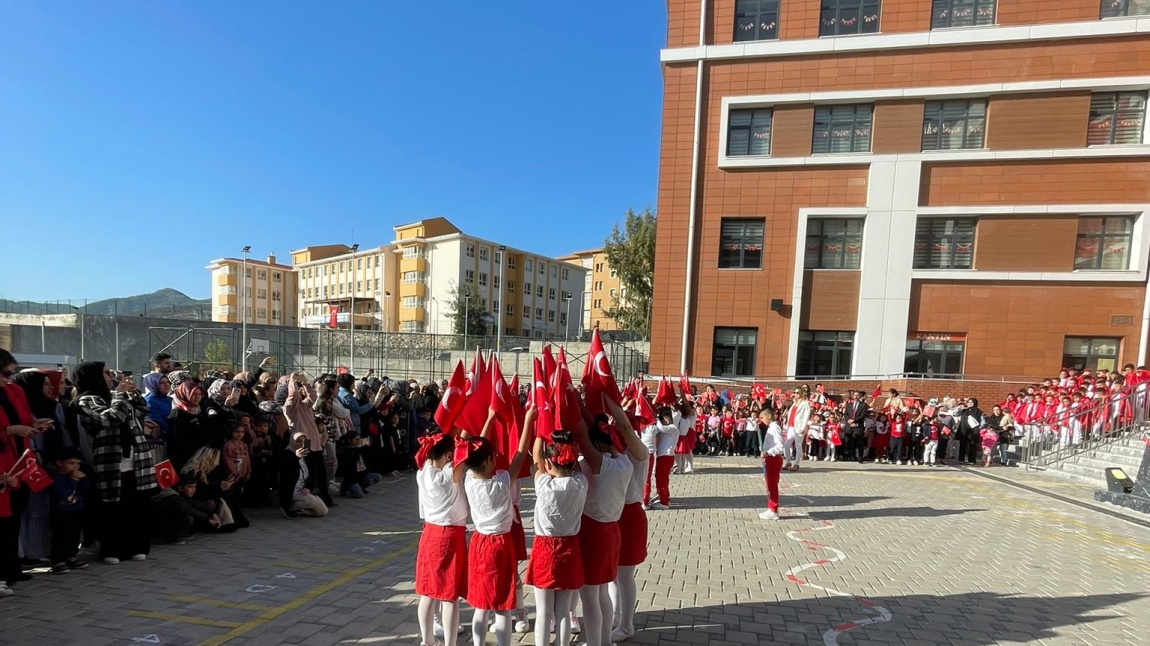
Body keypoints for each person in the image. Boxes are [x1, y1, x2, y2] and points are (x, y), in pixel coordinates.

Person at [573, 399, 646, 646]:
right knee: (607, 583)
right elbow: (592, 430)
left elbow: (594, 434)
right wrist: (581, 404)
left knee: (621, 577)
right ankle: (611, 626)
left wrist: (609, 395)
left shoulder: (636, 453)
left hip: (624, 517)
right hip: (613, 519)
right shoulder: (618, 460)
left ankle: (625, 624)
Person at [72, 362, 157, 565]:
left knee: (137, 506)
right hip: (111, 461)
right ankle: (112, 549)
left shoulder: (114, 396)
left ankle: (136, 547)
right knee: (113, 509)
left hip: (136, 461)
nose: (111, 376)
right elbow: (111, 418)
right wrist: (118, 395)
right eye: (105, 373)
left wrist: (132, 393)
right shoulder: (87, 399)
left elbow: (141, 409)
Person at [461, 412, 532, 646]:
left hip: (479, 542)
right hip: (501, 545)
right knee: (502, 606)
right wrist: (528, 421)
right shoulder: (501, 482)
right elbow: (519, 457)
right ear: (491, 459)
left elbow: (476, 452)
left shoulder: (469, 481)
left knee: (481, 605)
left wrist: (488, 420)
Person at [527, 430, 586, 646]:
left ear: (548, 464)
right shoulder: (581, 484)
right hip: (570, 547)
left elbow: (536, 459)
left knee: (543, 611)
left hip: (544, 548)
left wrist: (541, 432)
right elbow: (575, 469)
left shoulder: (543, 485)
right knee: (563, 610)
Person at [415, 432, 468, 646]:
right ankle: (449, 643)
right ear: (448, 455)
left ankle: (427, 641)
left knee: (427, 592)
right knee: (449, 596)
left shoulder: (423, 472)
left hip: (429, 534)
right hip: (450, 536)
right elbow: (463, 455)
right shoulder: (448, 474)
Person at [48, 446, 90, 573]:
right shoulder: (55, 478)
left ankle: (71, 556)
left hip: (76, 509)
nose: (75, 467)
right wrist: (73, 480)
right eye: (71, 463)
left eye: (78, 464)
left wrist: (83, 479)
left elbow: (87, 491)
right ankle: (58, 560)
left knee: (74, 534)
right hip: (60, 511)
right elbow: (63, 495)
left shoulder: (78, 475)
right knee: (60, 535)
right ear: (59, 463)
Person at [278, 432, 328, 518]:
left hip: (304, 490)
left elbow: (314, 473)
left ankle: (299, 512)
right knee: (311, 502)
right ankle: (288, 507)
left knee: (322, 511)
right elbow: (285, 474)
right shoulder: (286, 454)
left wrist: (308, 487)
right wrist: (296, 458)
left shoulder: (308, 455)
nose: (301, 444)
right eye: (298, 441)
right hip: (292, 491)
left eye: (304, 441)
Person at [641, 407, 678, 510]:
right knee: (659, 478)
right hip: (662, 457)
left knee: (662, 479)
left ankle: (664, 501)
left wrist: (655, 417)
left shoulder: (673, 428)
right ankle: (662, 496)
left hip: (667, 456)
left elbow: (661, 427)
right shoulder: (665, 429)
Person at [758, 409, 785, 521]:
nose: (761, 420)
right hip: (769, 459)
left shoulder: (775, 428)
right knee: (769, 485)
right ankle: (771, 507)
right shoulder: (770, 428)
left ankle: (773, 510)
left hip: (773, 458)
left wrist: (768, 452)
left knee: (772, 485)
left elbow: (780, 446)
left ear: (769, 416)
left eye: (762, 417)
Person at [782, 386, 811, 470]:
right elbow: (790, 415)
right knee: (786, 445)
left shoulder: (805, 403)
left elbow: (806, 416)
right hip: (791, 426)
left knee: (798, 445)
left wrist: (803, 427)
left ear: (802, 393)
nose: (796, 394)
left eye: (798, 392)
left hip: (799, 427)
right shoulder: (794, 403)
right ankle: (788, 462)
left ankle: (796, 464)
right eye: (795, 392)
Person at [843, 390, 867, 464]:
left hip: (858, 426)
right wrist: (849, 421)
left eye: (857, 395)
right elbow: (845, 414)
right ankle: (847, 456)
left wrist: (854, 420)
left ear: (860, 396)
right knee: (847, 441)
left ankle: (860, 457)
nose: (856, 397)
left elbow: (862, 415)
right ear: (852, 396)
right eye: (854, 395)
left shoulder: (863, 405)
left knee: (859, 442)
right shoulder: (849, 404)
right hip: (849, 425)